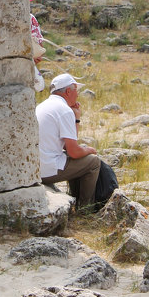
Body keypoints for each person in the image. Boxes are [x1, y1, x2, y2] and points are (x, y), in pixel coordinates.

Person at [35, 72, 100, 209]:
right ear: (68, 91)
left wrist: (76, 118)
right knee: (93, 161)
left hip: (34, 169)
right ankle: (85, 208)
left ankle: (75, 200)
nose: (77, 94)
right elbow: (73, 152)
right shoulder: (64, 110)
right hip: (48, 170)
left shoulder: (42, 106)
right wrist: (90, 150)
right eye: (76, 90)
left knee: (78, 158)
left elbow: (68, 145)